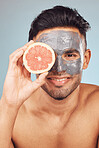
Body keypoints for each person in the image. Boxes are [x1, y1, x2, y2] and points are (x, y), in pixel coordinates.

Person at [0, 5, 99, 148]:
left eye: (70, 55)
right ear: (32, 59)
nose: (59, 69)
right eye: (49, 55)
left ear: (86, 59)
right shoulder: (10, 114)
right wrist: (8, 105)